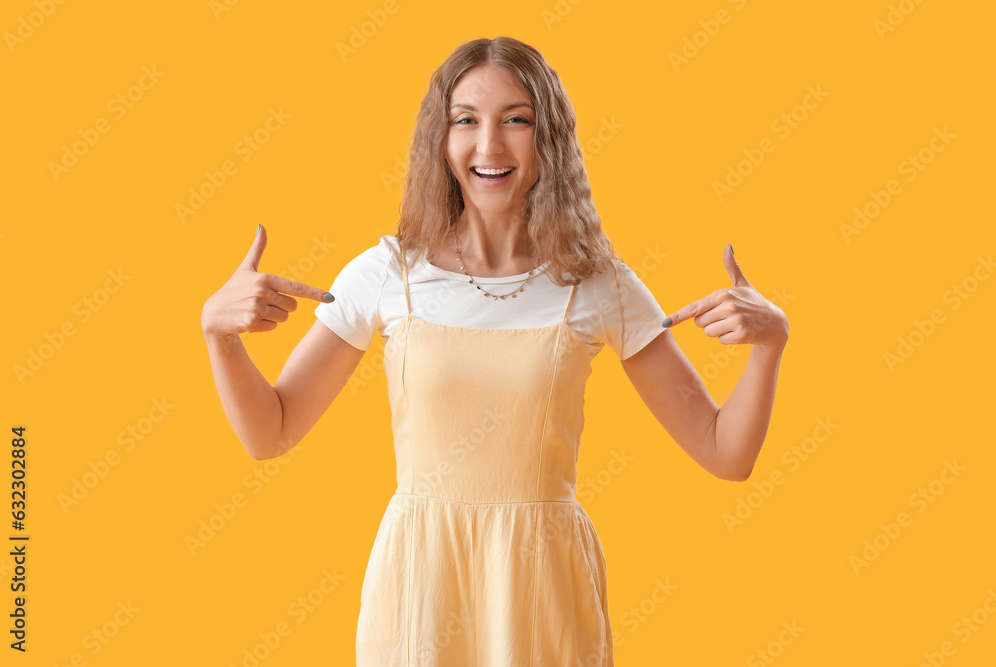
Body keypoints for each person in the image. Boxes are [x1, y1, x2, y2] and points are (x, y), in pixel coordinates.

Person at [201, 36, 788, 667]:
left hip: (543, 593)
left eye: (517, 120)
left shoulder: (598, 283)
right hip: (421, 591)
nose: (489, 145)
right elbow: (272, 432)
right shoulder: (386, 274)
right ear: (441, 138)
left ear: (550, 138)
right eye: (466, 120)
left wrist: (770, 346)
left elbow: (726, 454)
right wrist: (219, 334)